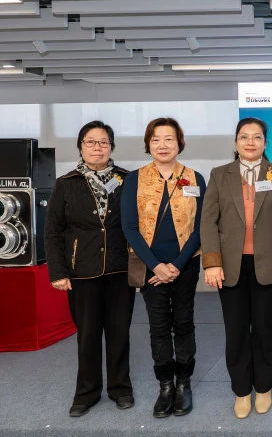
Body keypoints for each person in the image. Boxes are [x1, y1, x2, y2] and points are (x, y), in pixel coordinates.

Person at [200, 117, 272, 419]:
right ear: (235, 142)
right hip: (230, 265)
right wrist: (212, 262)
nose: (251, 142)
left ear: (265, 143)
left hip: (267, 264)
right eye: (244, 137)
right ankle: (242, 390)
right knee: (236, 330)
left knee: (266, 329)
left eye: (257, 137)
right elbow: (208, 221)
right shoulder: (219, 175)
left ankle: (264, 386)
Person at [45, 120, 135, 417]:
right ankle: (86, 393)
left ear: (112, 147)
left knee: (120, 332)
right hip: (81, 271)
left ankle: (120, 388)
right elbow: (53, 231)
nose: (97, 148)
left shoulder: (127, 180)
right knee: (87, 335)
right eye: (91, 142)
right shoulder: (66, 183)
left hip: (120, 270)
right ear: (81, 147)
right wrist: (57, 272)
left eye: (103, 142)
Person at [121, 117, 205, 419]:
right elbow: (129, 228)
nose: (163, 144)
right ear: (148, 144)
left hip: (185, 266)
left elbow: (201, 227)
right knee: (158, 327)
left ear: (179, 142)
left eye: (169, 138)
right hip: (149, 268)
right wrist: (156, 266)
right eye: (156, 139)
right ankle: (165, 386)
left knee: (183, 323)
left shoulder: (195, 177)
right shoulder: (135, 179)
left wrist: (177, 266)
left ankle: (184, 383)